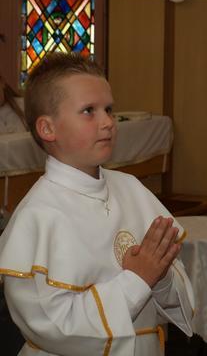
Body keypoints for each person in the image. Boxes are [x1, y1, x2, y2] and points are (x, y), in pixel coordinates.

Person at [0, 53, 194, 355]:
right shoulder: (37, 216)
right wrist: (137, 280)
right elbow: (54, 327)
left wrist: (160, 276)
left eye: (109, 109)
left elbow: (175, 289)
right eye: (89, 111)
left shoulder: (131, 189)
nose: (108, 122)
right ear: (47, 129)